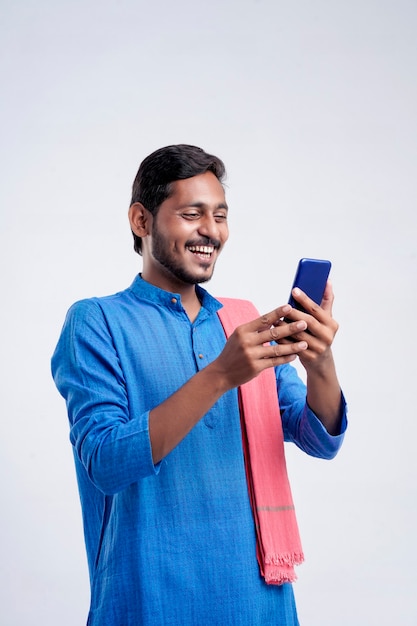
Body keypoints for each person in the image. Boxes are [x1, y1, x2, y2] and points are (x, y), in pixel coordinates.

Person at [51, 144, 347, 625]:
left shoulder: (241, 321)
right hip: (148, 597)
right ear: (141, 221)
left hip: (259, 600)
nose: (212, 231)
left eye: (221, 216)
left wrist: (321, 361)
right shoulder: (97, 321)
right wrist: (220, 375)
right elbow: (104, 461)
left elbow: (317, 436)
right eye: (193, 214)